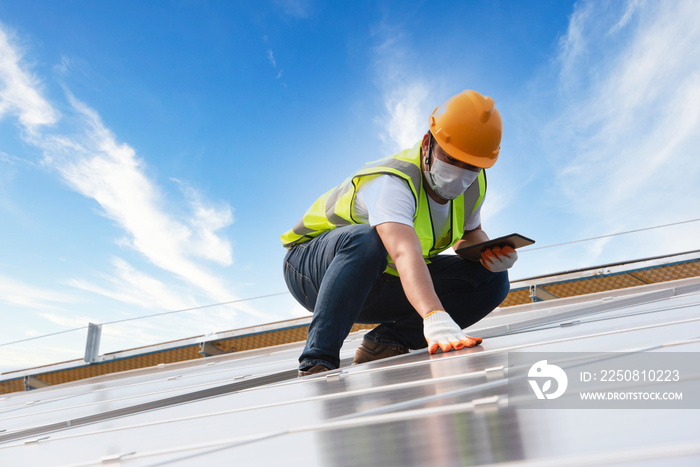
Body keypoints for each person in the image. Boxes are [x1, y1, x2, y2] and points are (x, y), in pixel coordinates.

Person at [281, 90, 517, 377]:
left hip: (381, 282)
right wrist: (434, 316)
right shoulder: (392, 181)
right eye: (451, 158)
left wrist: (490, 254)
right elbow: (404, 251)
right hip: (312, 272)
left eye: (472, 165)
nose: (460, 173)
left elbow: (468, 235)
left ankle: (387, 342)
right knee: (367, 241)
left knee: (491, 279)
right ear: (428, 143)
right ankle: (318, 359)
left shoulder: (473, 186)